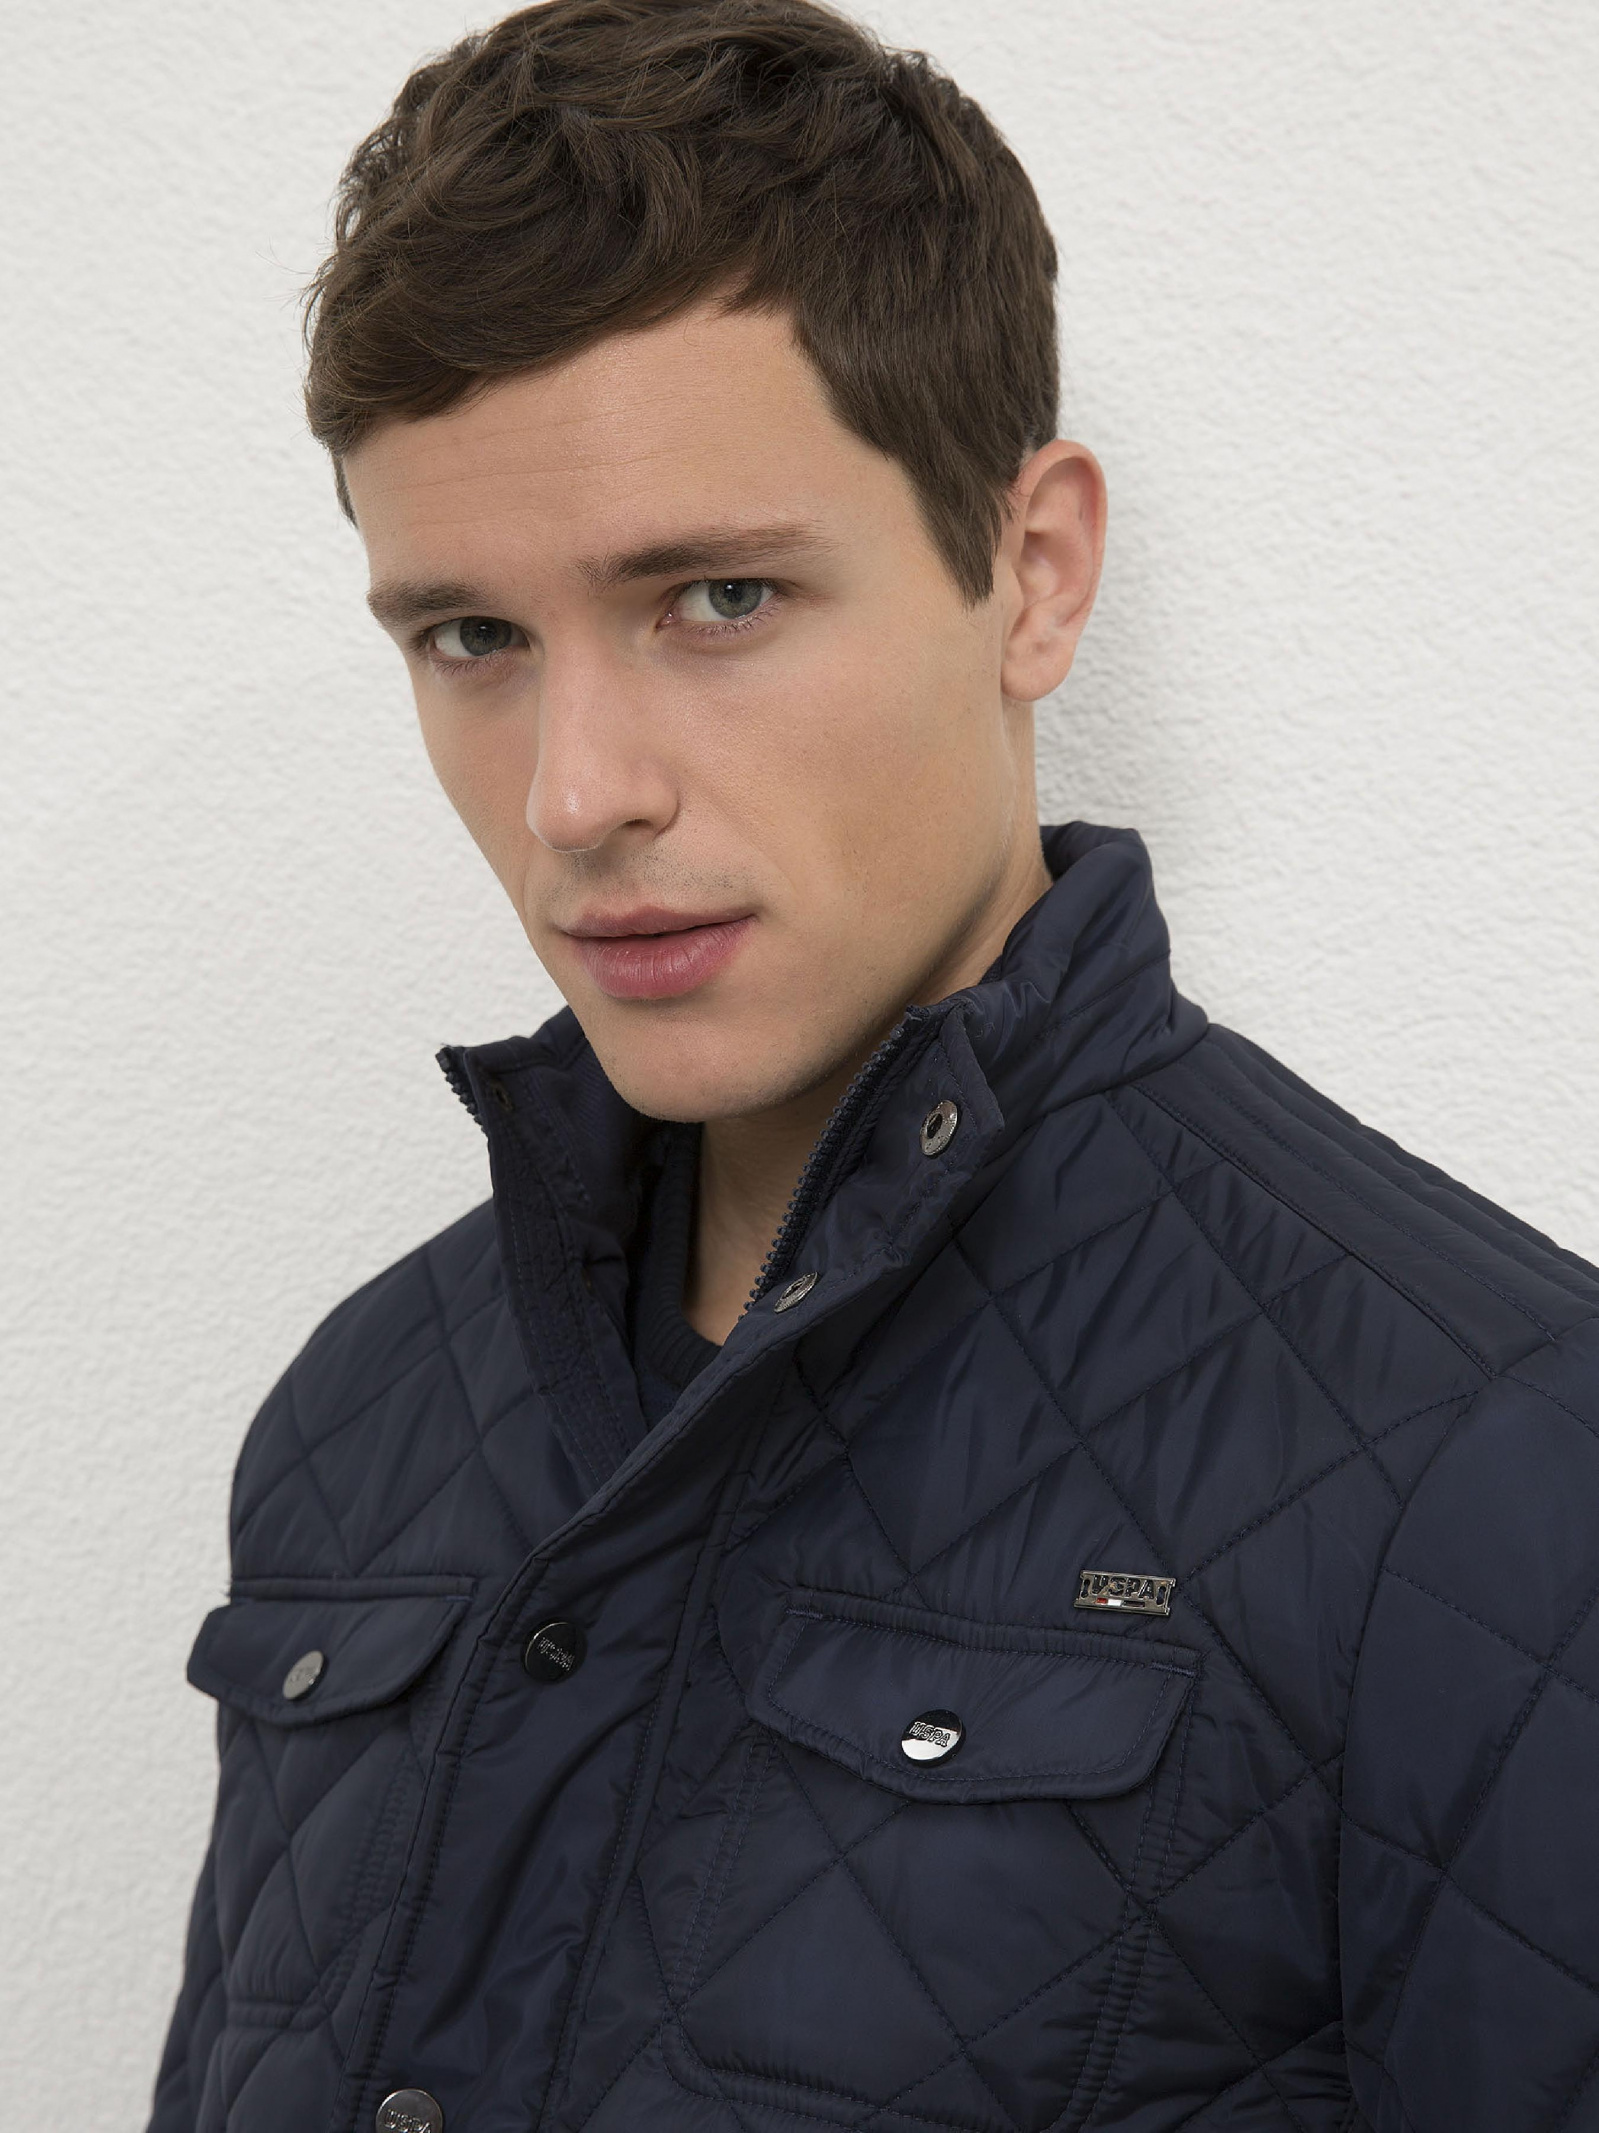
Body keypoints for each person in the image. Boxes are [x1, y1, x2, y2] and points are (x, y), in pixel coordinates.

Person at [149, 2, 1599, 2128]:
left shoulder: (1495, 1461)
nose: (574, 792)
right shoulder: (359, 1416)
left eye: (718, 596)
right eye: (470, 637)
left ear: (1033, 575)